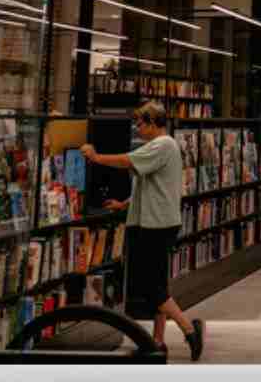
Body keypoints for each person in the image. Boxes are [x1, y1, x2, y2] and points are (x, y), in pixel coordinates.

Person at [82, 103, 204, 361]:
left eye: (140, 124)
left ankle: (189, 329)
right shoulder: (157, 147)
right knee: (158, 284)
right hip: (152, 221)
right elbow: (150, 184)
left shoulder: (163, 145)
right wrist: (124, 204)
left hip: (155, 224)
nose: (138, 129)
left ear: (152, 123)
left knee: (151, 288)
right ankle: (157, 342)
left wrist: (96, 157)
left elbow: (127, 161)